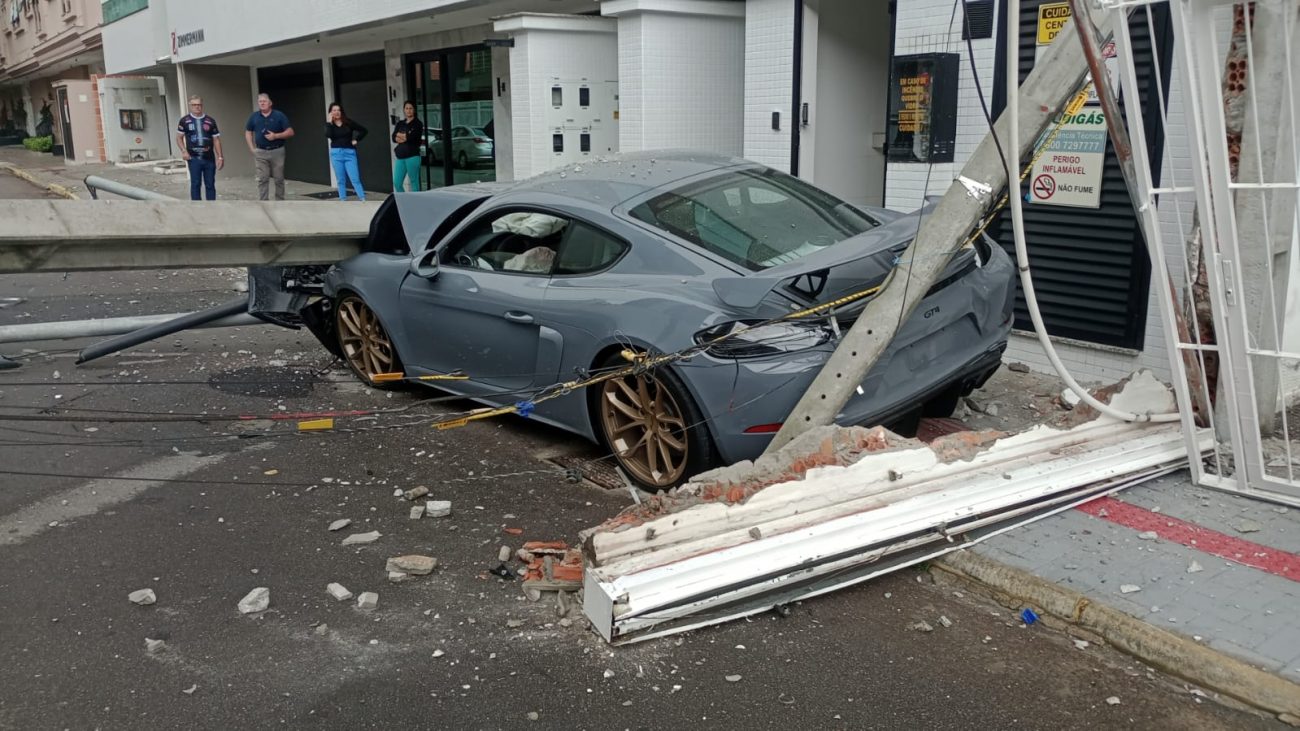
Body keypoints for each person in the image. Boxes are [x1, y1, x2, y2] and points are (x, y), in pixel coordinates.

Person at [244, 93, 294, 200]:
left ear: (270, 103)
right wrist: (252, 149)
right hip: (260, 152)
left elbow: (290, 132)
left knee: (279, 179)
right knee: (262, 178)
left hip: (277, 151)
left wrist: (276, 136)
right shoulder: (254, 116)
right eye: (260, 101)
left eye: (264, 101)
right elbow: (248, 132)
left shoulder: (279, 115)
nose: (262, 103)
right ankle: (264, 203)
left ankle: (280, 201)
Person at [175, 95, 223, 200]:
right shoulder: (184, 121)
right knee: (196, 184)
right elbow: (179, 138)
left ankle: (211, 208)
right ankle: (196, 209)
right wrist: (184, 151)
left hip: (209, 158)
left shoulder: (210, 120)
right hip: (193, 158)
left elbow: (216, 140)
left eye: (199, 105)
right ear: (190, 106)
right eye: (194, 105)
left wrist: (220, 157)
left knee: (210, 184)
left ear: (202, 105)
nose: (197, 107)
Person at [325, 102, 368, 201]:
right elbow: (328, 135)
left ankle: (362, 199)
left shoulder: (348, 122)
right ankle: (343, 200)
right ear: (331, 113)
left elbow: (364, 130)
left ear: (341, 111)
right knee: (341, 180)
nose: (337, 112)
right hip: (336, 154)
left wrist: (356, 140)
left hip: (349, 153)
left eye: (338, 110)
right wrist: (329, 123)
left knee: (355, 179)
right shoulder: (329, 125)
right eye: (334, 110)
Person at [391, 100, 424, 192]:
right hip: (400, 157)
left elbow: (411, 137)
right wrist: (404, 136)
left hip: (412, 157)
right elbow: (393, 137)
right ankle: (404, 203)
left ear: (414, 110)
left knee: (414, 182)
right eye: (406, 108)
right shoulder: (400, 123)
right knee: (397, 183)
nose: (408, 110)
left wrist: (401, 136)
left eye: (410, 108)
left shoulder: (418, 124)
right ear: (404, 110)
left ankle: (416, 204)